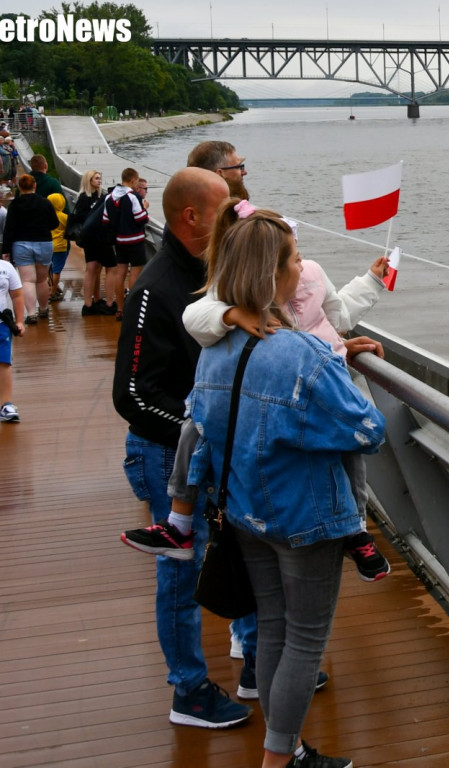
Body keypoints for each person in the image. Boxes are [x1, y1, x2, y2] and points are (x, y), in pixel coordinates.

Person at [185, 200, 385, 768]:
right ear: (274, 273)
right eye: (294, 259)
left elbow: (204, 421)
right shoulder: (298, 352)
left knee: (271, 628)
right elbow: (368, 430)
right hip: (308, 515)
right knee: (305, 639)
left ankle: (287, 748)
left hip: (247, 509)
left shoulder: (216, 346)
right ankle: (279, 760)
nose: (302, 268)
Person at [111, 166, 252, 729]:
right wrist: (199, 433)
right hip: (164, 455)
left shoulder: (209, 273)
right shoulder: (156, 287)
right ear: (191, 216)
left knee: (235, 551)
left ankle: (254, 663)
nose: (234, 219)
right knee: (179, 572)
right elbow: (132, 396)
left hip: (206, 453)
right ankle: (188, 693)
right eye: (225, 210)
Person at [1, 174, 58, 324]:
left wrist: (6, 250)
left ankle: (31, 314)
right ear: (35, 186)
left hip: (22, 245)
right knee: (41, 280)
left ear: (19, 187)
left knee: (27, 280)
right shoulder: (45, 203)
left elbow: (9, 229)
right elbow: (54, 224)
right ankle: (44, 308)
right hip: (44, 243)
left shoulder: (15, 205)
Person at [104, 167, 149, 317]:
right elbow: (140, 218)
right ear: (133, 180)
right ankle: (133, 308)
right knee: (135, 273)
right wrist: (145, 208)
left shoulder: (109, 197)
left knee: (120, 273)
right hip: (135, 240)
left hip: (119, 241)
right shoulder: (132, 196)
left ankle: (120, 308)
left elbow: (105, 220)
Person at [73, 170, 118, 316]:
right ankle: (108, 302)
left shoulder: (100, 196)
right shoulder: (85, 198)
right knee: (108, 267)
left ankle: (93, 301)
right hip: (97, 238)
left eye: (100, 178)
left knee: (93, 268)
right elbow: (81, 217)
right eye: (96, 178)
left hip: (92, 238)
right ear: (89, 180)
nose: (99, 181)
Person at [0, 256, 25, 422]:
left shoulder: (6, 268)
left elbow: (17, 295)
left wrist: (19, 321)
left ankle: (5, 404)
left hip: (1, 324)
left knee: (4, 363)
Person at [47, 192, 68, 302]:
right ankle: (53, 291)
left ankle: (50, 285)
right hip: (60, 246)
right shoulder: (64, 217)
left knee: (49, 268)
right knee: (57, 270)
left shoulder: (47, 216)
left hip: (48, 245)